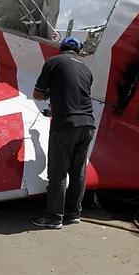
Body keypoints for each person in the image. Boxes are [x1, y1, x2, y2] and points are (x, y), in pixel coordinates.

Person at [31, 37, 95, 229]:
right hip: (87, 125)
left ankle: (54, 217)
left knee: (58, 172)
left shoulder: (53, 62)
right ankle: (74, 213)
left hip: (66, 125)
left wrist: (50, 93)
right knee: (78, 172)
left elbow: (37, 94)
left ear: (62, 49)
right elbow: (74, 97)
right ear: (78, 51)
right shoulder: (86, 69)